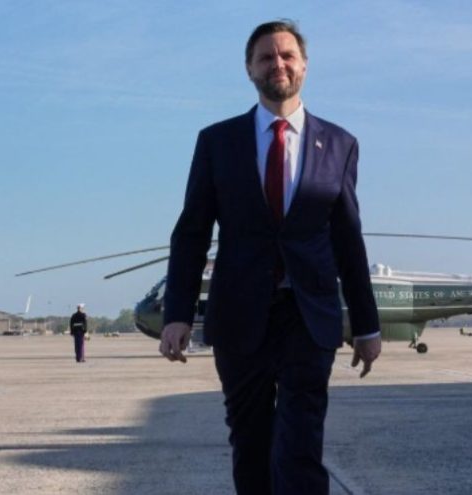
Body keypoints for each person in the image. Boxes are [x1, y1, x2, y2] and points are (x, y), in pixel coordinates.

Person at [159, 20, 381, 494]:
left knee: (300, 443)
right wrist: (177, 314)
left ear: (304, 66)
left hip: (309, 316)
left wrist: (366, 326)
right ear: (249, 69)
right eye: (265, 57)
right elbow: (192, 233)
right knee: (251, 443)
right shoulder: (217, 142)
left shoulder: (339, 145)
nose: (277, 64)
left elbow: (348, 239)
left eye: (287, 55)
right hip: (239, 315)